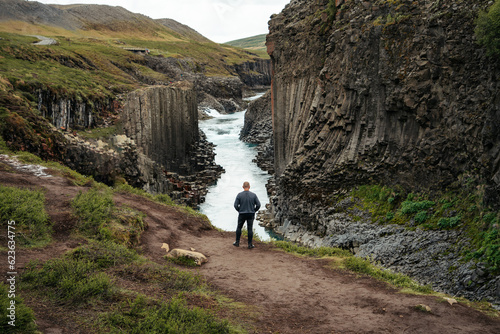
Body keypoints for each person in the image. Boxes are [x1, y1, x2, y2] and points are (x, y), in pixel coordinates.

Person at [233, 181, 261, 249]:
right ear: (249, 187)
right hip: (251, 214)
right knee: (250, 228)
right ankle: (250, 244)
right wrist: (254, 210)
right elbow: (258, 205)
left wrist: (239, 210)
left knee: (239, 227)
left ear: (243, 187)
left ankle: (237, 242)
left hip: (242, 213)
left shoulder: (239, 195)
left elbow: (235, 205)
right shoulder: (253, 195)